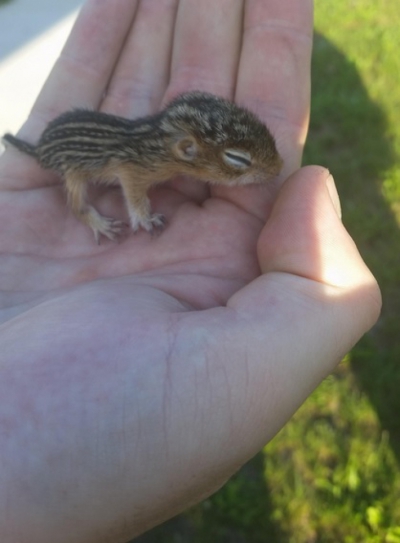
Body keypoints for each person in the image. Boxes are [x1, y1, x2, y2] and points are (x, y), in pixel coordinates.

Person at [0, 1, 381, 541]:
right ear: (186, 150)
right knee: (81, 184)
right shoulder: (149, 159)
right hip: (74, 154)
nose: (262, 175)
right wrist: (134, 215)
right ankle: (81, 205)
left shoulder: (170, 150)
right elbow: (132, 176)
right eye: (239, 166)